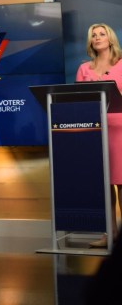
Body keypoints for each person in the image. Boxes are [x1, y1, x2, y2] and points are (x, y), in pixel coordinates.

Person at [76, 22, 122, 248]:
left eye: (102, 34)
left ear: (111, 38)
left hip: (120, 130)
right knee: (104, 185)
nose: (97, 37)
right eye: (93, 35)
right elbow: (78, 99)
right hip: (96, 130)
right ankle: (110, 234)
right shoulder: (84, 68)